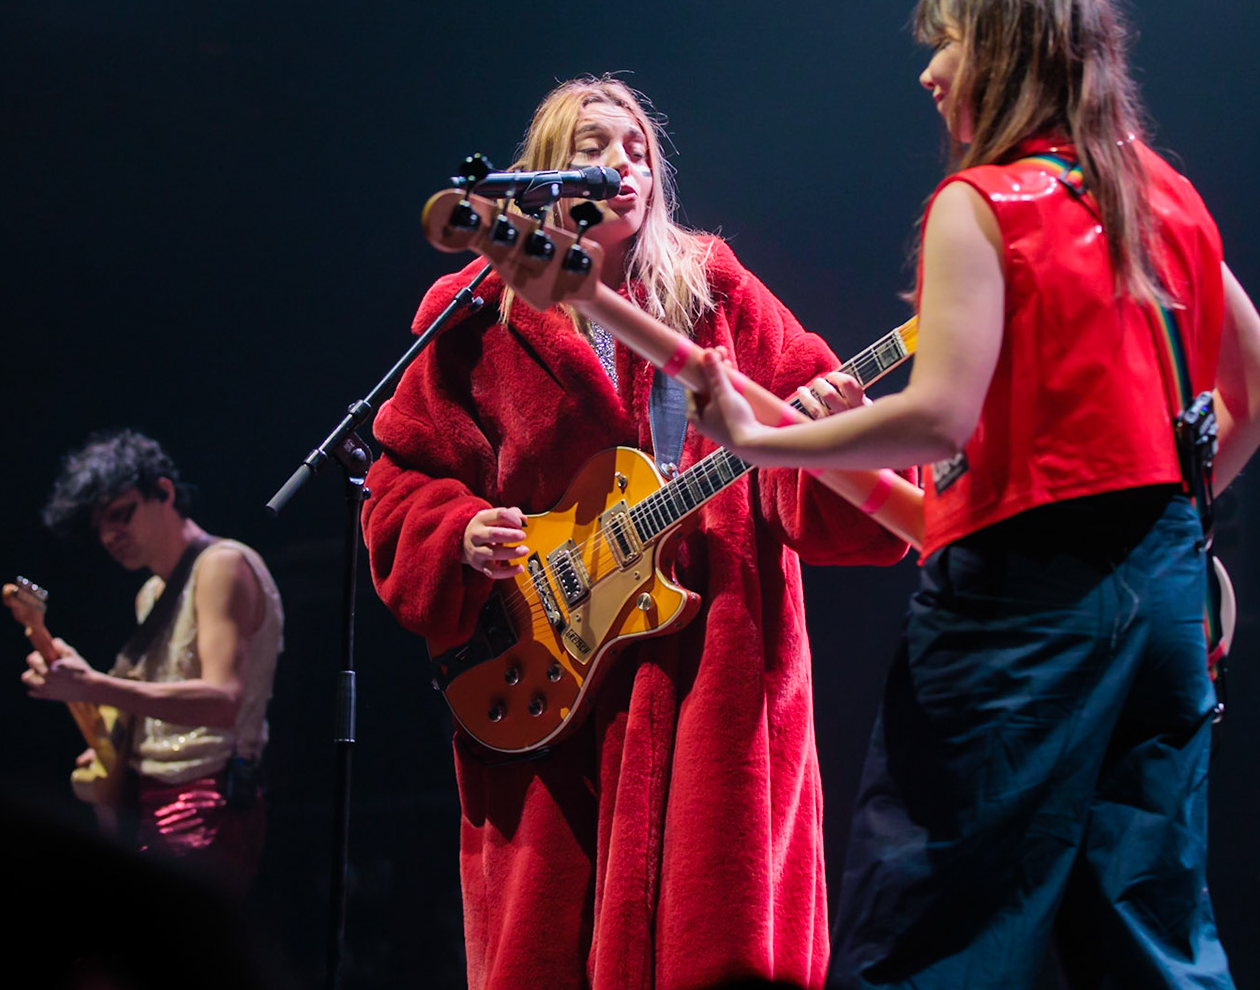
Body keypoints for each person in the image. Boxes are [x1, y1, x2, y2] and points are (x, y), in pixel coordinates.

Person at [688, 0, 1260, 989]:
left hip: (1018, 604)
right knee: (1149, 927)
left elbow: (934, 418)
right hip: (1166, 598)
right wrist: (1167, 519)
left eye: (950, 41)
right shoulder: (1165, 199)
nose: (930, 71)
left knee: (933, 919)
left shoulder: (982, 203)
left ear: (1007, 52)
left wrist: (757, 436)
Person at [363, 76, 911, 990]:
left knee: (713, 938)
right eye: (594, 147)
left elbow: (850, 490)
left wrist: (831, 426)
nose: (622, 165)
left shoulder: (718, 294)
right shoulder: (471, 314)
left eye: (638, 150)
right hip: (544, 672)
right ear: (539, 177)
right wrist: (458, 532)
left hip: (715, 674)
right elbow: (396, 480)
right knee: (550, 946)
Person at [21, 429, 284, 893]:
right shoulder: (152, 594)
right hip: (149, 800)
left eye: (120, 515)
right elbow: (157, 705)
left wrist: (93, 687)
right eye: (98, 526)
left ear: (163, 491)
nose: (109, 536)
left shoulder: (222, 564)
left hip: (206, 800)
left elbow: (223, 701)